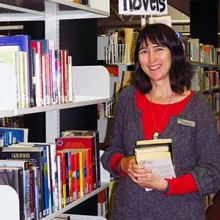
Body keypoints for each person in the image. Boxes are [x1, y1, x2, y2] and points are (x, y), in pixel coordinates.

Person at [101, 23, 220, 220]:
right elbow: (111, 152)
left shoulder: (198, 106)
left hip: (181, 213)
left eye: (159, 49)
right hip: (129, 211)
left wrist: (167, 186)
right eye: (144, 51)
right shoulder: (128, 98)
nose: (152, 59)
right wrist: (124, 163)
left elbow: (213, 173)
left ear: (174, 53)